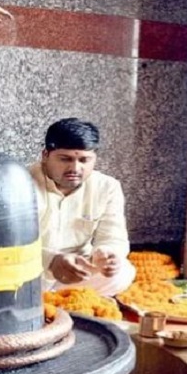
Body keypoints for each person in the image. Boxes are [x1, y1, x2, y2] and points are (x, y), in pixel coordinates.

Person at [29, 117, 135, 297]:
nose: (75, 168)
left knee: (123, 272)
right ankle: (47, 301)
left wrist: (106, 254)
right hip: (29, 273)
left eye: (84, 160)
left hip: (75, 274)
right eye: (65, 159)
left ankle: (56, 301)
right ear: (45, 155)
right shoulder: (19, 182)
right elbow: (4, 245)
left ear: (95, 159)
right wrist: (51, 261)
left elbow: (114, 237)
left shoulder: (107, 187)